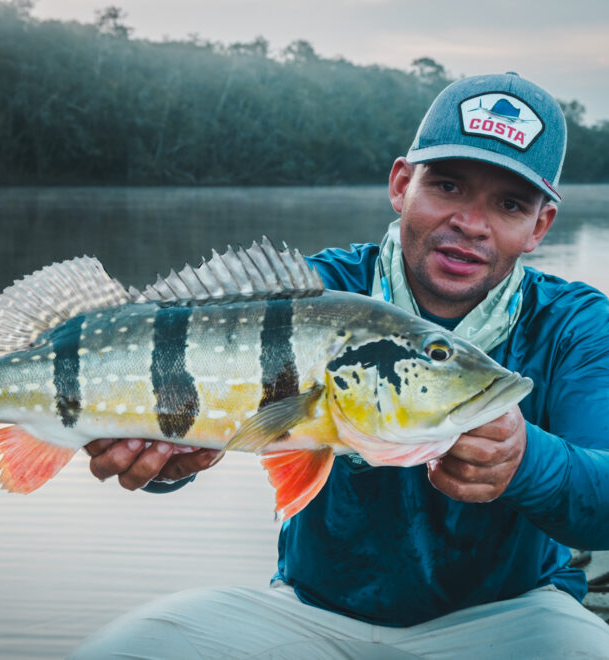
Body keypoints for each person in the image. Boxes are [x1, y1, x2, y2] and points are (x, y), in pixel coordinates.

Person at [71, 73, 609, 658]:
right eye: (449, 186)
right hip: (311, 616)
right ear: (402, 184)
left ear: (541, 225)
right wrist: (170, 464)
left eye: (509, 204)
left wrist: (528, 462)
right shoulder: (312, 295)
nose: (471, 223)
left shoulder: (575, 326)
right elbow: (191, 406)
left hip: (514, 614)